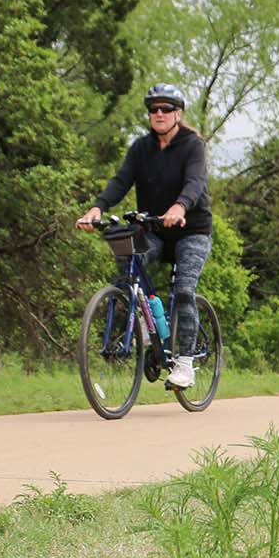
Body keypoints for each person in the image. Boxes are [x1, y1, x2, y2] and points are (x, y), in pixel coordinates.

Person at [77, 83, 214, 389]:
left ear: (178, 113)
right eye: (154, 109)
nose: (159, 113)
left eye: (166, 108)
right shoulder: (141, 148)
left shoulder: (193, 145)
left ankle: (184, 363)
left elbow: (194, 182)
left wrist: (180, 206)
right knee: (127, 267)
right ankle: (146, 329)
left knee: (183, 290)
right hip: (154, 230)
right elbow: (121, 180)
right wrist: (97, 208)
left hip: (190, 231)